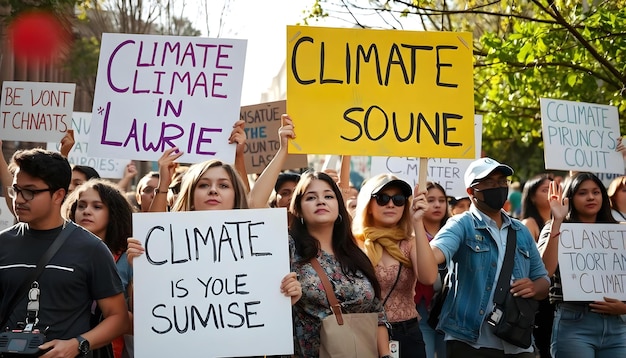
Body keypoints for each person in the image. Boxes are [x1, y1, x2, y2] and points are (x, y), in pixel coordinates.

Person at [1, 148, 129, 357]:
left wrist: (77, 344)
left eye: (30, 191)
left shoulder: (91, 248)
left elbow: (118, 318)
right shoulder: (3, 243)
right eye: (16, 189)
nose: (19, 199)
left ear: (58, 195)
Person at [430, 157, 549, 357]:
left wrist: (534, 287)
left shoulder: (521, 230)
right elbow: (434, 255)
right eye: (489, 183)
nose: (498, 187)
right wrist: (415, 223)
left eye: (502, 182)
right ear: (471, 191)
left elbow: (543, 280)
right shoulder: (460, 225)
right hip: (469, 342)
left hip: (517, 341)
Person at [288, 171, 391, 357]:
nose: (321, 201)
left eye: (328, 196)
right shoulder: (289, 251)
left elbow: (378, 313)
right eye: (311, 197)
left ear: (339, 207)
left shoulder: (356, 254)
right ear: (299, 210)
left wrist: (385, 356)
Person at [538, 172, 626, 357]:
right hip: (574, 323)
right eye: (582, 193)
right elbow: (544, 270)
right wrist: (557, 223)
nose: (591, 197)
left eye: (596, 192)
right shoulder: (555, 226)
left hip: (618, 326)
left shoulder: (620, 231)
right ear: (570, 197)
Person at [352, 174, 437, 358]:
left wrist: (417, 222)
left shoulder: (411, 243)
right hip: (364, 334)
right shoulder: (353, 243)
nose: (391, 204)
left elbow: (429, 277)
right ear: (369, 205)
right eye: (382, 198)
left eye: (398, 200)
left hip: (407, 335)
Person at [63, 178, 134, 358]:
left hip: (108, 351)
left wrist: (114, 316)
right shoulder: (59, 253)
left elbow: (142, 322)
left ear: (113, 214)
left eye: (97, 207)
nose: (86, 211)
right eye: (81, 205)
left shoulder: (127, 258)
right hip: (59, 347)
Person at [519, 173, 553, 358]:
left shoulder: (567, 221)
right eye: (545, 189)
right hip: (542, 299)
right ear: (532, 196)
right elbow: (533, 265)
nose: (550, 193)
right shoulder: (529, 224)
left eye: (553, 188)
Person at [415, 182, 450, 358]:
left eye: (442, 200)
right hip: (421, 308)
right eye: (431, 200)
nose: (437, 205)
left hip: (449, 309)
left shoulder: (456, 230)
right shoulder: (412, 233)